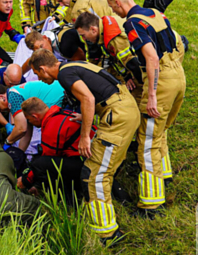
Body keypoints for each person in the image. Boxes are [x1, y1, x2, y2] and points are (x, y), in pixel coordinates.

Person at [30, 48, 141, 244]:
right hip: (126, 109)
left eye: (37, 74)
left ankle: (106, 234)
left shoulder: (64, 74)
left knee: (94, 175)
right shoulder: (73, 64)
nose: (39, 79)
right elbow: (98, 92)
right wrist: (86, 114)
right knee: (105, 169)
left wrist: (84, 137)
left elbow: (88, 99)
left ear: (43, 68)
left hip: (117, 117)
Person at [103, 0, 186, 217]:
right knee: (161, 131)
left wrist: (151, 94)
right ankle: (164, 176)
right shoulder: (154, 13)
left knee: (147, 141)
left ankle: (151, 203)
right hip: (178, 74)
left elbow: (151, 58)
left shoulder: (132, 23)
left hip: (161, 80)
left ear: (118, 2)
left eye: (112, 7)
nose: (114, 13)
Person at [16, 97, 84, 207]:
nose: (30, 123)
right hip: (88, 158)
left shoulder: (52, 126)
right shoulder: (61, 114)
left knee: (40, 164)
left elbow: (46, 160)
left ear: (35, 117)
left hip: (84, 163)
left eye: (29, 120)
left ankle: (66, 203)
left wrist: (26, 180)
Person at [74, 11, 143, 90]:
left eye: (83, 35)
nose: (84, 39)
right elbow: (116, 60)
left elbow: (132, 62)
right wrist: (127, 76)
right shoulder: (104, 29)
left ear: (93, 29)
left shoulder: (113, 38)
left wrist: (143, 85)